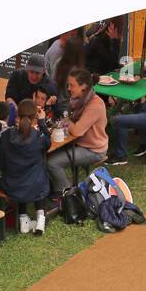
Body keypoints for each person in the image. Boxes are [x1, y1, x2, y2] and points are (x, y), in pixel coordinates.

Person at [46, 68, 109, 197]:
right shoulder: (80, 100)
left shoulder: (95, 105)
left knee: (52, 162)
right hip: (80, 143)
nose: (68, 88)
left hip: (93, 150)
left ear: (83, 86)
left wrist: (67, 120)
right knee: (46, 155)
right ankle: (54, 186)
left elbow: (77, 130)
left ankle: (67, 193)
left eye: (72, 85)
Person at [0, 99, 50, 235]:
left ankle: (23, 219)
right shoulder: (39, 137)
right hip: (35, 186)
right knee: (39, 170)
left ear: (17, 116)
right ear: (35, 119)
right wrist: (43, 123)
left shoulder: (6, 136)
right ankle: (41, 217)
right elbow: (48, 143)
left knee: (29, 173)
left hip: (12, 186)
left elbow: (0, 162)